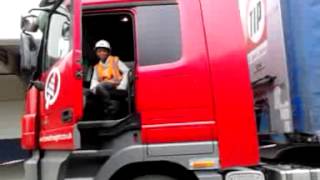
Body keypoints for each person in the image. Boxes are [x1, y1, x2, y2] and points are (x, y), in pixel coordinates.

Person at [90, 40, 129, 116]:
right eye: (99, 51)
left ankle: (109, 105)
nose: (101, 53)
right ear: (96, 53)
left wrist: (122, 86)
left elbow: (127, 72)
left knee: (100, 86)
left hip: (116, 86)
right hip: (103, 88)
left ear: (108, 52)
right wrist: (93, 89)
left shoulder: (115, 61)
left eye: (104, 51)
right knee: (93, 90)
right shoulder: (97, 67)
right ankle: (108, 108)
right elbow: (94, 80)